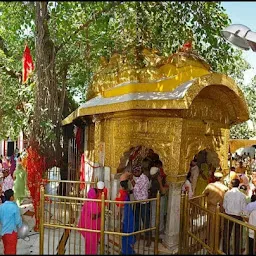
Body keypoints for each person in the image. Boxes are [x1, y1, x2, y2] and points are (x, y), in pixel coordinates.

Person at [222, 178, 247, 254]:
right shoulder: (242, 195)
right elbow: (243, 208)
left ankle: (225, 251)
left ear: (231, 184)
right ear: (238, 185)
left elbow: (224, 205)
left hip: (228, 215)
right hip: (238, 216)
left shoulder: (227, 193)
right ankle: (237, 251)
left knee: (226, 233)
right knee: (238, 235)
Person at [129, 165, 151, 246]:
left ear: (139, 171)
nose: (134, 174)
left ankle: (148, 239)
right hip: (137, 202)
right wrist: (130, 191)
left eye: (135, 172)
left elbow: (137, 188)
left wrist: (131, 179)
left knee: (145, 221)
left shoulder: (144, 178)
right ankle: (136, 236)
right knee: (136, 220)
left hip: (143, 203)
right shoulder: (138, 178)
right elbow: (137, 190)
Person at [78, 188, 101, 255]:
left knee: (88, 245)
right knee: (93, 245)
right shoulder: (93, 204)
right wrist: (100, 214)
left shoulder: (87, 202)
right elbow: (93, 216)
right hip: (92, 228)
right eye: (97, 193)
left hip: (87, 227)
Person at [0, 189, 22, 255]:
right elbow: (18, 221)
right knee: (11, 251)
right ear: (11, 197)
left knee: (6, 248)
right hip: (11, 232)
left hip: (3, 232)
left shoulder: (1, 206)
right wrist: (21, 226)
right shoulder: (14, 207)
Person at [148, 166, 168, 235]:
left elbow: (163, 191)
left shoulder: (161, 179)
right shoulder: (155, 180)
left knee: (157, 214)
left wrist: (160, 182)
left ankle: (157, 229)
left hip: (157, 199)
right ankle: (156, 230)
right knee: (156, 214)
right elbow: (162, 192)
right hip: (156, 199)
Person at [119, 181, 136, 255]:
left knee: (125, 233)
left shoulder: (122, 194)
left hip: (125, 216)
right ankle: (128, 249)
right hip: (128, 215)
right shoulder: (127, 194)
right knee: (127, 232)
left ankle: (125, 251)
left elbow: (121, 206)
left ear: (122, 187)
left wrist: (120, 218)